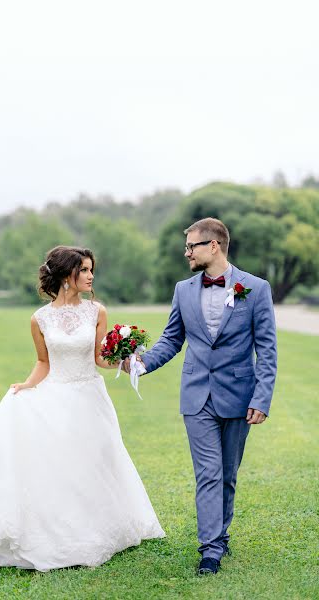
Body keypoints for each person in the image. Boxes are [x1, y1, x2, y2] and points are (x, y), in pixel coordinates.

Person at [0, 246, 164, 571]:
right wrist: (27, 386)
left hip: (89, 396)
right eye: (83, 270)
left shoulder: (96, 311)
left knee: (95, 462)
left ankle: (97, 527)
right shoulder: (39, 319)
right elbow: (43, 362)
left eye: (90, 270)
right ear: (65, 274)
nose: (90, 276)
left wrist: (123, 356)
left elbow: (100, 358)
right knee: (59, 467)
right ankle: (59, 532)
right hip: (55, 396)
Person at [124, 217, 277, 575]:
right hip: (197, 398)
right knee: (208, 472)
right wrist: (142, 363)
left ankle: (219, 535)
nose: (186, 252)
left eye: (192, 246)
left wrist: (262, 397)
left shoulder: (255, 288)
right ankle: (210, 549)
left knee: (227, 474)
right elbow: (172, 339)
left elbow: (267, 350)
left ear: (214, 246)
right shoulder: (183, 290)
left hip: (240, 396)